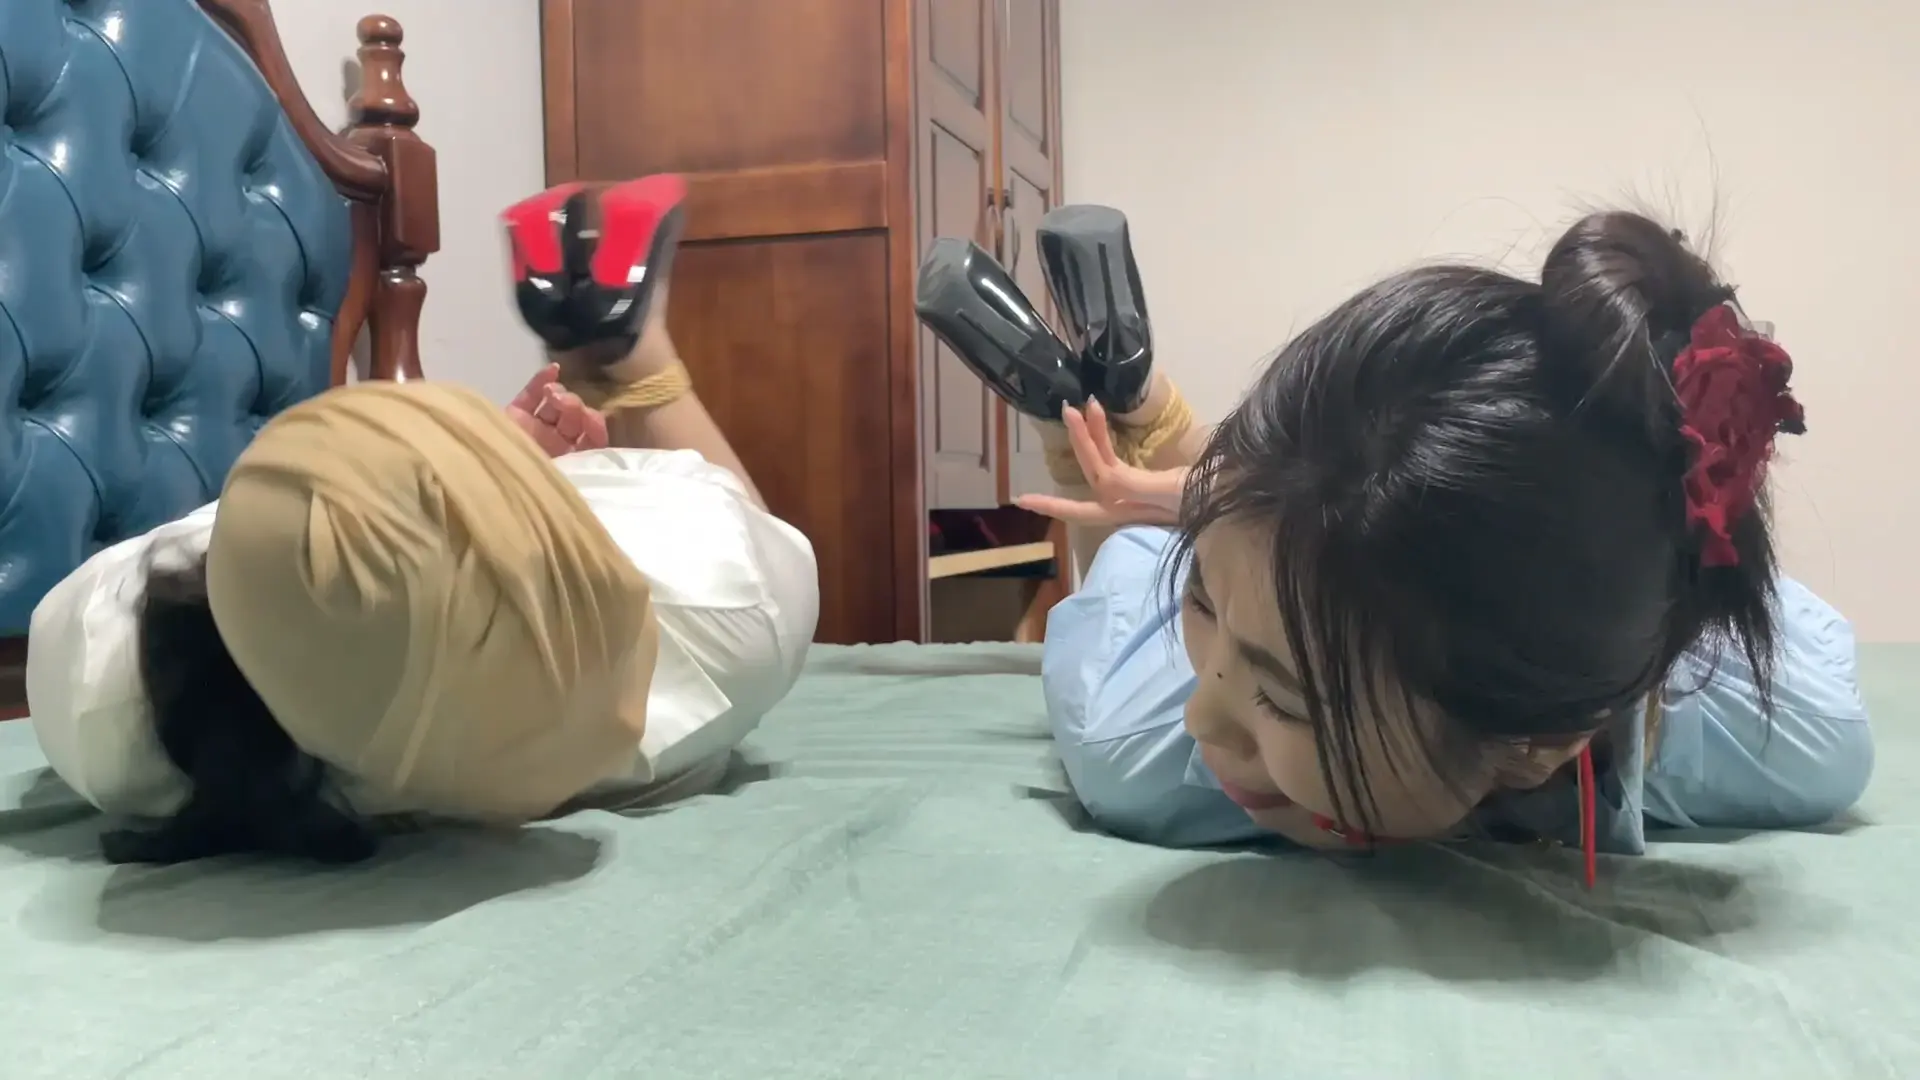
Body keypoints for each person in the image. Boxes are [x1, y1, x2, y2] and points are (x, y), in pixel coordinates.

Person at [915, 206, 1872, 874]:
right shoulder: (1152, 738)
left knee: (1147, 541)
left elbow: (1742, 585)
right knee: (1150, 542)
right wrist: (1207, 523)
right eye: (1198, 599)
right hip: (1249, 538)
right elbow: (1141, 589)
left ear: (1536, 744)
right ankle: (1161, 441)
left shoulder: (1790, 737)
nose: (1204, 721)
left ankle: (1156, 462)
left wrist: (1624, 551)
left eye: (1286, 701)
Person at [25, 176, 819, 864]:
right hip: (314, 560)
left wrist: (480, 460)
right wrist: (467, 462)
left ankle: (521, 417)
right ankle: (628, 354)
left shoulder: (105, 704)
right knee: (724, 533)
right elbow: (747, 545)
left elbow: (253, 541)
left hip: (293, 580)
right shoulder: (711, 629)